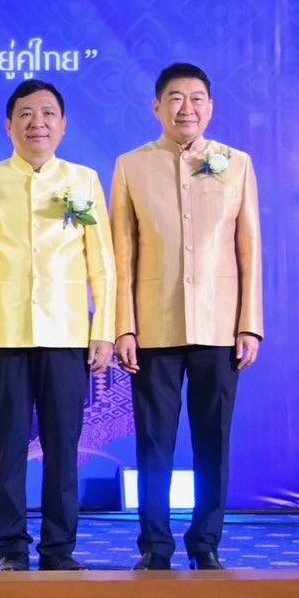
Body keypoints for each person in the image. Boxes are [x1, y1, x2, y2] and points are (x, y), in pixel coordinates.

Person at [111, 62, 262, 571]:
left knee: (213, 437)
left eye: (197, 98)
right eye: (175, 98)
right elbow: (122, 254)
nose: (186, 108)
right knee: (154, 441)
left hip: (220, 324)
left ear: (211, 107)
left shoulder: (235, 163)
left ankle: (206, 540)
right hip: (153, 326)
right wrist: (124, 326)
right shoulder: (131, 166)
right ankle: (155, 544)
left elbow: (249, 250)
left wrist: (249, 324)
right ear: (157, 107)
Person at [0, 79, 114, 572]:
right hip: (3, 338)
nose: (37, 123)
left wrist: (104, 330)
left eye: (48, 114)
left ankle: (58, 549)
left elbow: (103, 266)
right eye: (26, 114)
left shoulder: (84, 181)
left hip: (68, 336)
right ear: (9, 125)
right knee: (6, 448)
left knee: (63, 447)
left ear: (64, 125)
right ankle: (10, 548)